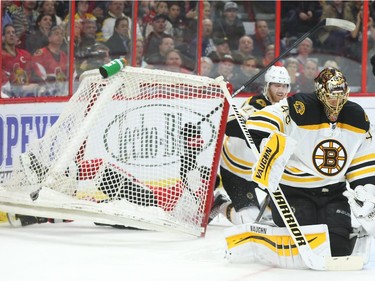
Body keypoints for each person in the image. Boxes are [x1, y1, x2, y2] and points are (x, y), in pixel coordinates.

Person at [247, 67, 375, 257]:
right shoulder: (300, 106)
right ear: (321, 94)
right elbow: (259, 121)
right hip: (293, 191)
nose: (337, 103)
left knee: (338, 248)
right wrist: (270, 146)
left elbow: (363, 160)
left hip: (333, 193)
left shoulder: (357, 117)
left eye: (342, 97)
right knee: (304, 244)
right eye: (332, 98)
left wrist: (367, 189)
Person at [209, 65, 291, 224]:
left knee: (288, 209)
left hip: (261, 171)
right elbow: (230, 124)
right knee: (248, 221)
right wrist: (254, 131)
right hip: (236, 171)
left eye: (284, 86)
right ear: (268, 86)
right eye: (277, 85)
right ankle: (220, 204)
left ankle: (266, 209)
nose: (281, 90)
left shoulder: (289, 108)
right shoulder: (257, 104)